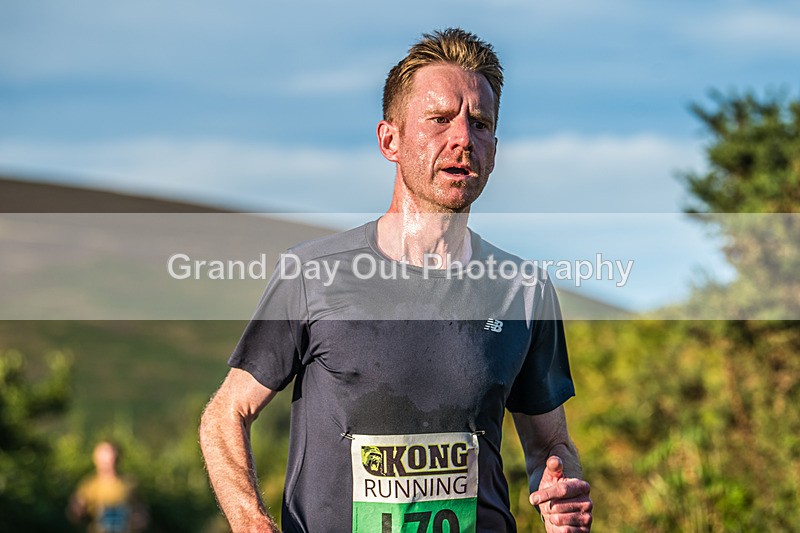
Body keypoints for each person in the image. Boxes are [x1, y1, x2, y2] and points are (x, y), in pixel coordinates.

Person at [199, 28, 592, 532]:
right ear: (390, 140)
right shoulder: (312, 274)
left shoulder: (523, 290)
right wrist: (249, 519)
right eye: (440, 120)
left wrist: (562, 492)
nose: (462, 139)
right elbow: (226, 414)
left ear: (494, 149)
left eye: (480, 124)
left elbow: (549, 446)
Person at [68, 440, 147, 533]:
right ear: (95, 459)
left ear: (117, 457)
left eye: (109, 455)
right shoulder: (89, 485)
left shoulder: (130, 484)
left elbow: (142, 513)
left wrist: (138, 520)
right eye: (102, 456)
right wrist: (77, 510)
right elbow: (76, 511)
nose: (105, 460)